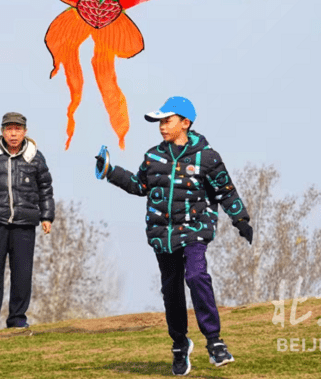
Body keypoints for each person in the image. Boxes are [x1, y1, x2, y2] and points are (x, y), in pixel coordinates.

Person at [95, 97, 252, 375]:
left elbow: (225, 191)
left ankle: (215, 342)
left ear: (185, 123)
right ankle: (180, 345)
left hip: (195, 230)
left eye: (167, 121)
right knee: (171, 291)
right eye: (160, 122)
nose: (161, 127)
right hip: (162, 235)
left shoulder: (208, 157)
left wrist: (240, 219)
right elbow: (138, 185)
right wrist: (110, 171)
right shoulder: (152, 157)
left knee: (195, 276)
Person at [0, 112, 55, 330]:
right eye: (9, 129)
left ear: (25, 132)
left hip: (24, 224)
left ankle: (17, 319)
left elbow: (45, 188)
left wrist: (46, 216)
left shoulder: (35, 157)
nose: (13, 133)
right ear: (2, 132)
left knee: (22, 274)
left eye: (17, 129)